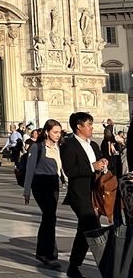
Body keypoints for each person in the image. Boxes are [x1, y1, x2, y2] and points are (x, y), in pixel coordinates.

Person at [60, 111, 108, 278]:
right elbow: (69, 170)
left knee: (85, 229)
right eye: (88, 124)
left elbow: (100, 162)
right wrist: (91, 166)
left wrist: (103, 163)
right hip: (79, 194)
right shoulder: (68, 145)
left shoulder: (93, 145)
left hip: (94, 193)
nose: (91, 128)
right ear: (79, 126)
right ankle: (107, 264)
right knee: (93, 227)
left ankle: (74, 266)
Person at [23, 118, 65, 268]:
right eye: (55, 132)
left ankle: (42, 251)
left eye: (59, 132)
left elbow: (60, 168)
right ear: (47, 132)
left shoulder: (58, 147)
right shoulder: (37, 147)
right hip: (40, 184)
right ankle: (49, 254)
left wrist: (65, 180)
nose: (58, 135)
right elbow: (30, 169)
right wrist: (26, 190)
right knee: (50, 216)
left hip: (54, 183)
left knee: (49, 218)